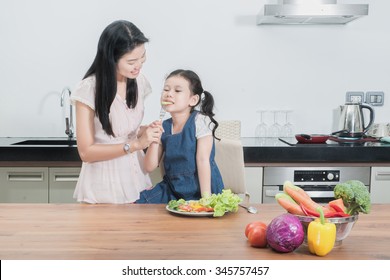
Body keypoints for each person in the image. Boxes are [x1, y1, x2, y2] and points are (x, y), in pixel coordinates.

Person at [70, 20, 163, 204]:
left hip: (136, 177)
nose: (139, 65)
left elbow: (125, 128)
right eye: (131, 61)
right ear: (111, 58)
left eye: (142, 57)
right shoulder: (89, 89)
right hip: (103, 184)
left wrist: (144, 131)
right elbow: (86, 152)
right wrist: (135, 145)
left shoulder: (139, 82)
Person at [137, 69, 224, 203]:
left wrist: (206, 199)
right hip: (172, 189)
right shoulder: (164, 126)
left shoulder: (200, 121)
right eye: (166, 90)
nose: (169, 94)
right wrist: (155, 139)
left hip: (201, 187)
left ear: (193, 100)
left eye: (177, 91)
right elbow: (149, 167)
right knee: (139, 202)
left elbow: (202, 160)